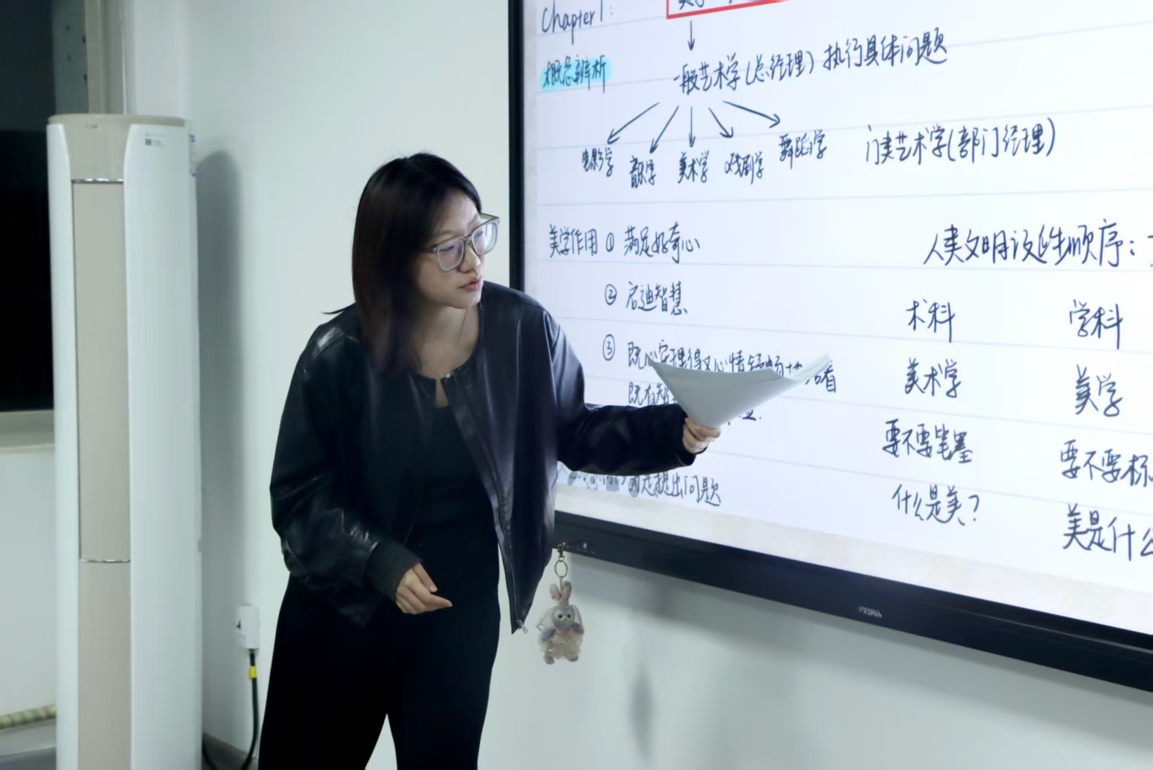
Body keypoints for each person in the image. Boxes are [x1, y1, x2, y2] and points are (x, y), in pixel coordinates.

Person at [258, 153, 721, 768]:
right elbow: (299, 499)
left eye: (479, 234)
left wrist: (674, 433)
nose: (475, 260)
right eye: (450, 248)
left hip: (454, 616)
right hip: (344, 612)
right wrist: (379, 561)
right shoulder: (338, 354)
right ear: (395, 258)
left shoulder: (523, 331)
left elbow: (577, 431)